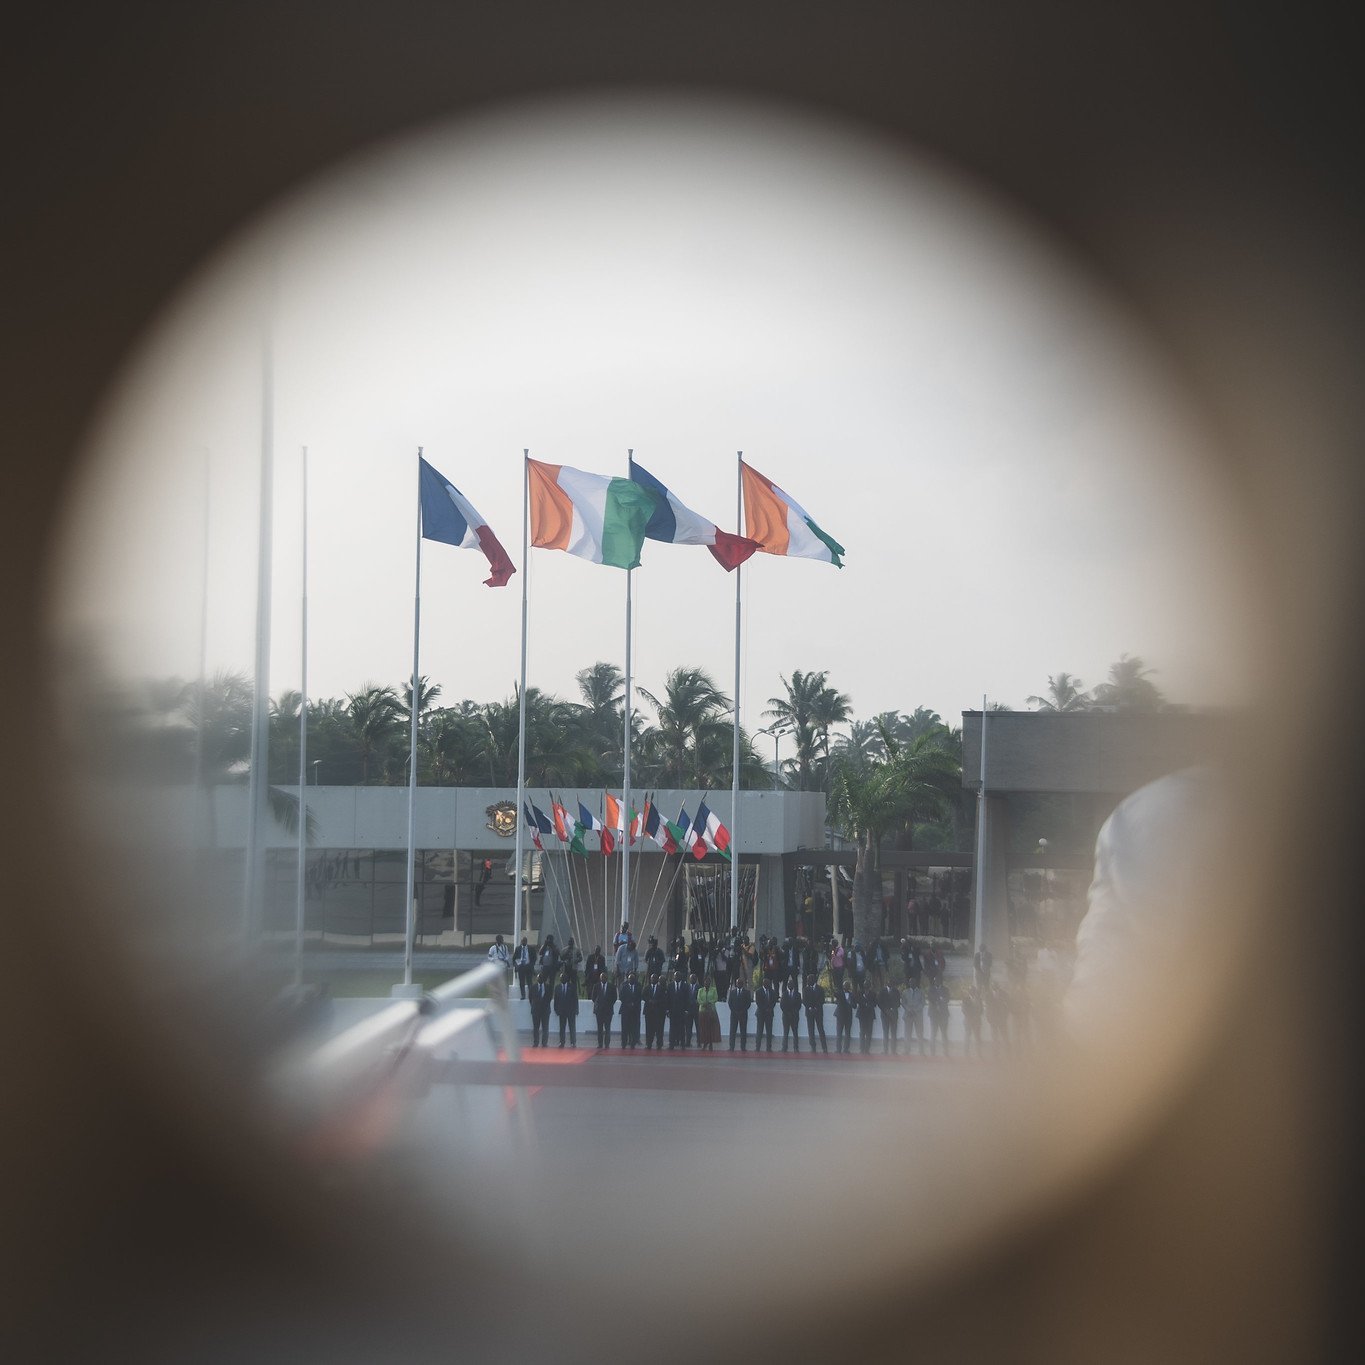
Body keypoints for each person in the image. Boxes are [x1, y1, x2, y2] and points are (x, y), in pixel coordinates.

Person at [803, 974, 829, 1053]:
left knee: (821, 1029)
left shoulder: (820, 989)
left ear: (813, 980)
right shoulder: (805, 989)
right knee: (811, 1030)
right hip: (809, 1012)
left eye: (809, 979)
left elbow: (822, 1000)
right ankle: (813, 1047)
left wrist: (816, 1008)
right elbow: (804, 1001)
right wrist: (810, 1007)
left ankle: (824, 1047)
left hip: (818, 1012)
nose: (807, 981)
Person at [553, 968, 579, 1048]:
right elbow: (556, 1000)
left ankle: (573, 1042)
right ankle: (562, 1042)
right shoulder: (557, 988)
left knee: (572, 1027)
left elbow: (575, 999)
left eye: (563, 977)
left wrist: (576, 1009)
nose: (562, 979)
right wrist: (556, 1010)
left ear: (567, 979)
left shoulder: (572, 987)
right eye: (561, 978)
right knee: (562, 1028)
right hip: (562, 1011)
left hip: (571, 1011)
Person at [617, 970, 643, 1049]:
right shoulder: (624, 986)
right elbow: (621, 996)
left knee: (634, 1027)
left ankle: (633, 1042)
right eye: (630, 978)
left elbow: (640, 997)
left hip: (635, 1010)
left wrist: (633, 1004)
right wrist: (628, 1004)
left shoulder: (638, 986)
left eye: (633, 978)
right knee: (625, 1027)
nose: (631, 980)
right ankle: (624, 1042)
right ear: (627, 979)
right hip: (625, 1009)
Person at [643, 973, 668, 1051]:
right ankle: (648, 1044)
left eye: (654, 978)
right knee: (649, 1029)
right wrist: (649, 1000)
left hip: (659, 1012)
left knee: (659, 1029)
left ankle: (659, 1044)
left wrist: (656, 1001)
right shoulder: (646, 988)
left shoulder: (661, 988)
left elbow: (664, 998)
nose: (653, 979)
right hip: (649, 1011)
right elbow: (643, 996)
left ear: (657, 980)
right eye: (652, 978)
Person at [727, 974, 752, 1051]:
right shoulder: (732, 992)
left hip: (743, 1014)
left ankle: (743, 1047)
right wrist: (734, 1011)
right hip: (734, 1014)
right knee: (732, 1031)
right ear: (736, 984)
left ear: (743, 984)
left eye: (741, 983)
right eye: (738, 983)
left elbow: (748, 1003)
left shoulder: (747, 992)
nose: (739, 984)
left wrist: (742, 1011)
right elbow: (730, 1003)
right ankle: (731, 1047)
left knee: (743, 1031)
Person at [696, 973, 721, 1051]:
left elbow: (715, 998)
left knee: (711, 1028)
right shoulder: (700, 990)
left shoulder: (713, 989)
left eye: (708, 981)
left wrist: (709, 1002)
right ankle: (704, 1043)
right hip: (702, 1011)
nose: (707, 983)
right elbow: (698, 999)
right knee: (703, 1028)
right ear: (704, 982)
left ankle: (710, 1043)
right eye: (706, 981)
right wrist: (704, 1003)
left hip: (711, 1011)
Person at [667, 972, 691, 1051]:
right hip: (672, 1011)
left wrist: (687, 1010)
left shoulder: (686, 986)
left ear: (681, 977)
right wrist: (667, 1010)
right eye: (675, 976)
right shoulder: (670, 986)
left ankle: (683, 1044)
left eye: (678, 976)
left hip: (682, 1011)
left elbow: (688, 998)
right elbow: (668, 998)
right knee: (672, 1028)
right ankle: (671, 1044)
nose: (676, 977)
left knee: (682, 1028)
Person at [592, 973, 617, 1049]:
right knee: (599, 1028)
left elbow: (614, 998)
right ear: (600, 978)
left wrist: (608, 1005)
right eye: (602, 977)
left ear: (607, 978)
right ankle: (600, 1044)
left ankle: (607, 1044)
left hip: (608, 1011)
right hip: (599, 1011)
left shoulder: (612, 987)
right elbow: (593, 998)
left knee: (607, 1028)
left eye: (605, 977)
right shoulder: (596, 986)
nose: (603, 978)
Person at [529, 969, 553, 1048]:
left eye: (541, 978)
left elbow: (550, 998)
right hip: (535, 1010)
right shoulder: (533, 987)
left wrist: (544, 1004)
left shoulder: (548, 987)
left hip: (545, 1010)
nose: (539, 979)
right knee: (536, 1027)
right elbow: (530, 998)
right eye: (538, 977)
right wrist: (535, 1005)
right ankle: (536, 1042)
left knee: (545, 1027)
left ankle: (544, 1043)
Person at [986, 983, 1011, 1058]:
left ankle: (1009, 1053)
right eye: (993, 987)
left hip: (1002, 1019)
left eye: (996, 987)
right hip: (993, 1020)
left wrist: (1005, 1016)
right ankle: (996, 1054)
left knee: (1005, 1037)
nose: (995, 989)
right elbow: (988, 1008)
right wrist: (989, 1018)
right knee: (995, 1038)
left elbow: (1008, 1005)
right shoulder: (988, 994)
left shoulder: (1004, 994)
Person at [927, 979, 951, 1057]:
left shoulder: (945, 989)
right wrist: (937, 1000)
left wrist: (942, 999)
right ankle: (932, 1053)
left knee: (944, 1034)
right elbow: (929, 999)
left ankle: (946, 1052)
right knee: (933, 1034)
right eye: (935, 980)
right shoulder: (931, 989)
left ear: (941, 981)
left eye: (938, 980)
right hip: (934, 1015)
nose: (936, 981)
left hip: (943, 1015)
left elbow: (947, 999)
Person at [754, 976, 778, 1053]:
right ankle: (757, 1047)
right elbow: (758, 1002)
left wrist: (769, 1009)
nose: (767, 984)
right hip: (761, 1013)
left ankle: (769, 1047)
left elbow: (774, 1002)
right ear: (763, 983)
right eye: (766, 983)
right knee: (759, 1031)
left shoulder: (772, 991)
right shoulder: (758, 991)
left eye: (768, 983)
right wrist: (765, 1009)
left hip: (769, 1014)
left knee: (769, 1031)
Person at [779, 975, 803, 1052]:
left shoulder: (798, 994)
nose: (790, 986)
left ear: (794, 985)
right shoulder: (784, 994)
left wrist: (793, 1012)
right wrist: (787, 1012)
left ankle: (796, 1048)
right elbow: (782, 1005)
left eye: (791, 984)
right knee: (785, 1032)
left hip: (794, 1016)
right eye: (789, 984)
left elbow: (799, 1006)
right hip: (786, 1016)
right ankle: (784, 1047)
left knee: (795, 1033)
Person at [901, 978, 925, 1055]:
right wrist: (909, 1010)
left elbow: (923, 1003)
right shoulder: (905, 992)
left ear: (916, 983)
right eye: (910, 982)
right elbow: (903, 1003)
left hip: (918, 1015)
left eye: (913, 982)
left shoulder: (921, 992)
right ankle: (906, 1050)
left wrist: (915, 1010)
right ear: (909, 983)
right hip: (908, 1015)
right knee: (907, 1033)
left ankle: (921, 1050)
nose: (912, 983)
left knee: (920, 1033)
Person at [961, 985, 985, 1058]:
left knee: (978, 1038)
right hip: (968, 1021)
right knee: (967, 1037)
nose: (972, 992)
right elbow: (964, 1010)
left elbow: (981, 1010)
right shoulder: (965, 999)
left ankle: (979, 1054)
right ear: (969, 992)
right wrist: (971, 1016)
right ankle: (966, 1054)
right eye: (971, 991)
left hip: (977, 1021)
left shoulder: (979, 999)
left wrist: (976, 1015)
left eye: (973, 991)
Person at [878, 979, 900, 1055]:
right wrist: (886, 1010)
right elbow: (879, 1003)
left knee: (893, 1033)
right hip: (884, 1014)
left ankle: (893, 1051)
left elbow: (898, 1003)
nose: (890, 983)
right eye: (889, 982)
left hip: (894, 1014)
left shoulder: (896, 991)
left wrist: (892, 1009)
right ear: (886, 983)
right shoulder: (882, 991)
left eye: (892, 982)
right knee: (885, 1032)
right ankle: (885, 1050)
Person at [833, 977, 855, 1054]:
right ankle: (838, 1049)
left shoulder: (852, 995)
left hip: (848, 1017)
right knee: (839, 1033)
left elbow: (854, 1005)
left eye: (847, 986)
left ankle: (846, 1049)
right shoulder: (840, 993)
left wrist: (851, 1003)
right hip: (840, 1016)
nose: (846, 987)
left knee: (847, 1033)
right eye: (845, 985)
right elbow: (835, 994)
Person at [856, 982, 877, 1054]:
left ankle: (867, 1049)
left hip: (870, 1015)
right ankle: (861, 1049)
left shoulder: (873, 994)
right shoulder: (860, 992)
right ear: (863, 985)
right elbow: (857, 1001)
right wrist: (864, 1004)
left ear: (870, 986)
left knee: (869, 1032)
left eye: (868, 985)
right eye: (865, 985)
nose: (866, 986)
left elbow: (875, 1003)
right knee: (862, 1032)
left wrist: (869, 1005)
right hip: (861, 1014)